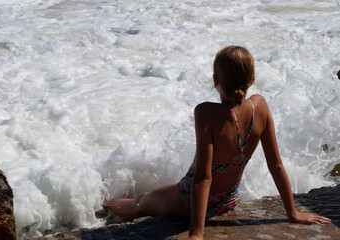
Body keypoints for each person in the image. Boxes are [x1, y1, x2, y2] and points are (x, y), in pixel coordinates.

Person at [106, 46, 331, 240]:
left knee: (141, 203)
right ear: (252, 80)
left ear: (215, 80)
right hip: (228, 200)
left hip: (188, 201)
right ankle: (108, 207)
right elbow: (276, 165)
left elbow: (203, 178)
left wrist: (197, 233)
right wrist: (292, 213)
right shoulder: (260, 107)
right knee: (150, 197)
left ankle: (104, 206)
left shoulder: (206, 113)